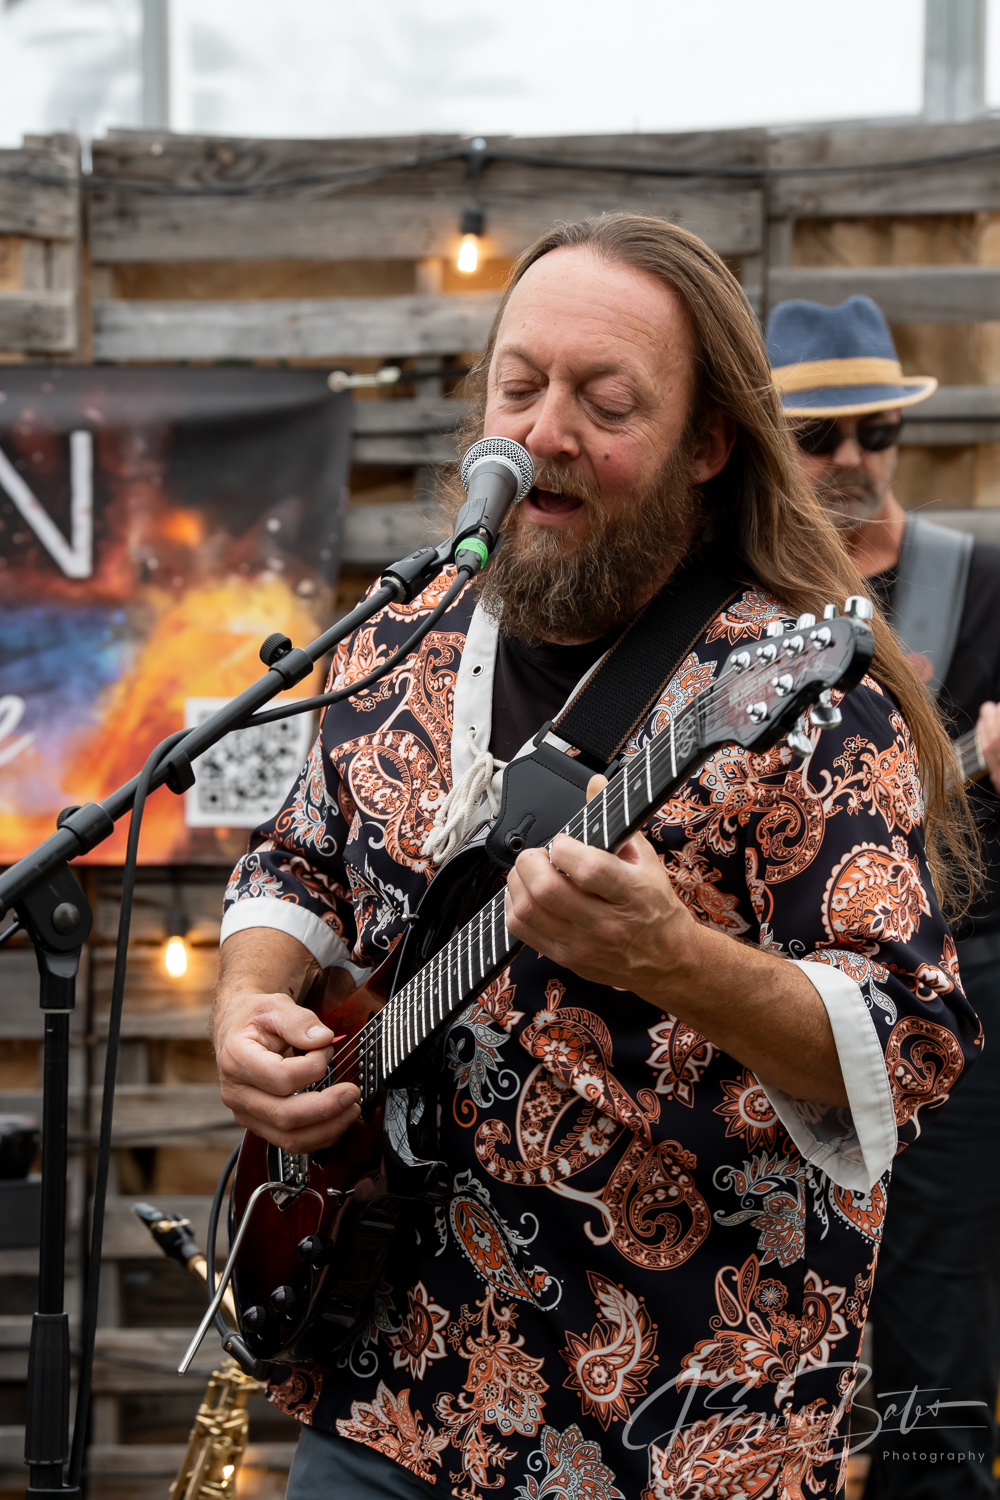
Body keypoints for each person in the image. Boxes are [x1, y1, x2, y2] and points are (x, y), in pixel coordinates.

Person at [214, 218, 980, 1500]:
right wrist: (247, 1002)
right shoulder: (403, 634)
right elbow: (298, 859)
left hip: (677, 1425)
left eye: (605, 404)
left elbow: (909, 1043)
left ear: (707, 446)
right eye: (518, 386)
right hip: (386, 1389)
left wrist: (675, 960)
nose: (543, 432)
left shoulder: (799, 696)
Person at [768, 293, 1000, 1500]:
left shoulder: (980, 579)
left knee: (935, 1326)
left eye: (878, 432)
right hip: (767, 998)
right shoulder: (737, 599)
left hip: (955, 990)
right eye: (819, 438)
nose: (854, 459)